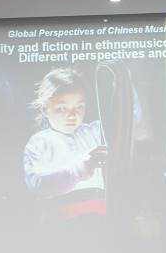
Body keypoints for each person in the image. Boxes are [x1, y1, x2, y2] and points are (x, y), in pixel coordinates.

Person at [23, 67, 108, 222]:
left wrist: (122, 79)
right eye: (62, 108)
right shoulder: (39, 142)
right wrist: (82, 166)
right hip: (61, 222)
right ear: (44, 109)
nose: (72, 115)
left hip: (100, 216)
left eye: (79, 107)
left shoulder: (94, 132)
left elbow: (127, 119)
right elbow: (38, 184)